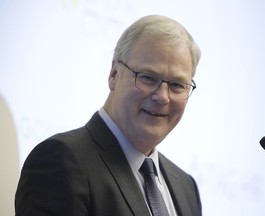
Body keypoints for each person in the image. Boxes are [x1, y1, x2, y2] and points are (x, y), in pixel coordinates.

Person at [15, 14, 202, 216]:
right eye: (148, 77)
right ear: (114, 74)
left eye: (177, 85)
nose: (163, 97)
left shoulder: (186, 187)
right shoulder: (61, 162)